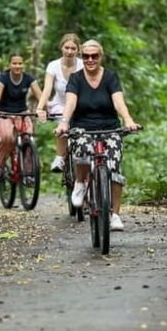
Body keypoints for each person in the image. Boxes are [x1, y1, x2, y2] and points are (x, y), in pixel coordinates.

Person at [55, 40, 140, 231]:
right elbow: (70, 103)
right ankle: (80, 183)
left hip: (110, 128)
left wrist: (128, 120)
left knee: (114, 169)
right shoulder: (76, 79)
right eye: (86, 56)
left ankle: (115, 215)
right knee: (82, 152)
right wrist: (64, 122)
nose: (90, 59)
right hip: (83, 128)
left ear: (101, 57)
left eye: (94, 56)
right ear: (81, 57)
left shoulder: (110, 77)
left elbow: (119, 102)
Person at [0, 54, 42, 179]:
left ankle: (28, 171)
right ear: (9, 65)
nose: (17, 66)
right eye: (14, 63)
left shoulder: (28, 78)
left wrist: (45, 108)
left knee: (28, 136)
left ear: (23, 65)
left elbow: (40, 95)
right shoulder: (3, 78)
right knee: (7, 137)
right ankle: (0, 165)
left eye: (20, 63)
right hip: (4, 114)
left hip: (22, 113)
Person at [36, 33, 84, 173]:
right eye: (66, 47)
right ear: (61, 48)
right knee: (63, 125)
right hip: (60, 104)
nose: (69, 51)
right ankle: (59, 157)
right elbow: (47, 88)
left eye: (73, 48)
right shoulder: (53, 66)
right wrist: (40, 108)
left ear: (78, 50)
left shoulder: (82, 65)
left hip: (80, 104)